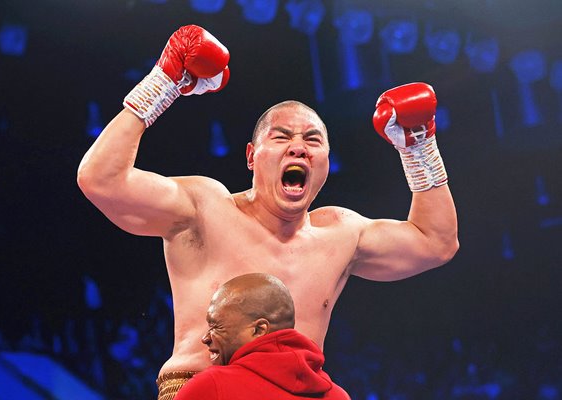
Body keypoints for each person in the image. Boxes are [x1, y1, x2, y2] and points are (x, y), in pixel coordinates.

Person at [77, 25, 459, 399]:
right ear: (251, 157)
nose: (299, 147)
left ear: (326, 162)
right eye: (282, 137)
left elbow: (436, 242)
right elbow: (101, 179)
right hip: (206, 386)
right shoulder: (204, 208)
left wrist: (418, 148)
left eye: (313, 140)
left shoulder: (341, 233)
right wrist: (163, 83)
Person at [173, 272, 350, 400]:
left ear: (259, 330)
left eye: (216, 326)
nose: (205, 338)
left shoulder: (211, 386)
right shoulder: (338, 395)